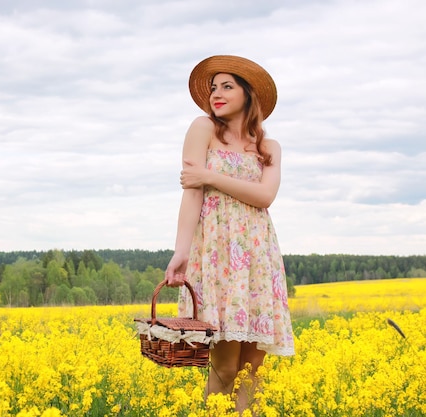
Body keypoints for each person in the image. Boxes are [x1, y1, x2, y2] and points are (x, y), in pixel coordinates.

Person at [164, 55, 295, 413]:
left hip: (258, 256)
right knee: (223, 366)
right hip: (218, 255)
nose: (216, 94)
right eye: (213, 88)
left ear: (248, 93)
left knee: (252, 370)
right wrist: (181, 251)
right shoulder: (202, 129)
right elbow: (191, 194)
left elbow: (265, 196)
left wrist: (210, 177)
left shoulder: (268, 148)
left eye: (227, 86)